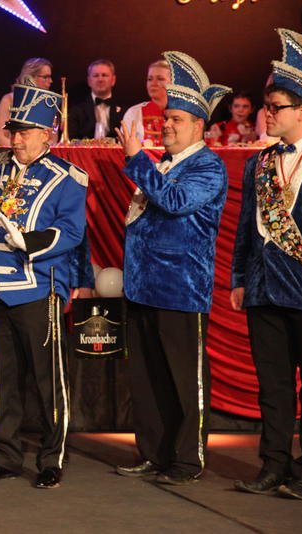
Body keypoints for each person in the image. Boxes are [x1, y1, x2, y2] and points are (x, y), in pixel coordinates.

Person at [0, 79, 88, 489]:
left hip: (39, 290)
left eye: (24, 132)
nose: (15, 140)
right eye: (12, 131)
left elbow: (72, 231)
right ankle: (5, 455)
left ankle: (52, 458)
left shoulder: (68, 177)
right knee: (2, 380)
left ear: (47, 133)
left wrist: (28, 242)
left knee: (48, 382)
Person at [114, 51, 230, 485]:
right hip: (144, 287)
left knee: (184, 380)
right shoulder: (165, 162)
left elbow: (175, 201)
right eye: (166, 118)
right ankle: (154, 452)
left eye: (177, 119)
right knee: (147, 380)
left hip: (181, 289)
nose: (166, 124)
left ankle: (186, 460)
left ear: (199, 126)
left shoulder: (207, 166)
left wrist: (136, 159)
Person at [231, 28, 302, 500]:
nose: (268, 115)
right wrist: (240, 278)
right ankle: (273, 465)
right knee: (273, 386)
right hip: (263, 288)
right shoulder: (258, 163)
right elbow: (245, 227)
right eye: (266, 106)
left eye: (277, 107)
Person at [0, 58, 52, 146]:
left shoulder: (49, 103)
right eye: (45, 77)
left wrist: (36, 151)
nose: (51, 81)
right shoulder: (8, 100)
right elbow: (0, 136)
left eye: (50, 77)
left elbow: (52, 139)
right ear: (30, 78)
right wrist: (19, 149)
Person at [68, 59, 123, 140]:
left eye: (104, 75)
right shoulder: (76, 109)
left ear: (113, 80)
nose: (100, 79)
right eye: (96, 75)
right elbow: (71, 140)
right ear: (89, 81)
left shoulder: (125, 109)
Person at [122, 59, 171, 145]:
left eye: (160, 79)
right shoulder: (134, 113)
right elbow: (123, 147)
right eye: (150, 79)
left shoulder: (185, 113)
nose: (153, 83)